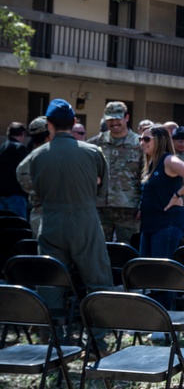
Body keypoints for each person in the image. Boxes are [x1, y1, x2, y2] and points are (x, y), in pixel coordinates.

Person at [15, 100, 113, 313]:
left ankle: (53, 336)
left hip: (50, 220)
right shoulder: (93, 152)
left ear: (48, 123)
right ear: (74, 122)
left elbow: (33, 188)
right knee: (98, 280)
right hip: (85, 219)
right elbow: (102, 192)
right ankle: (98, 337)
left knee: (50, 281)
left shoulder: (36, 156)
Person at [138, 124, 184, 304]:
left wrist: (177, 195)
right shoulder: (151, 162)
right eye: (140, 138)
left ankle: (165, 319)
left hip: (167, 224)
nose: (141, 142)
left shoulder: (169, 160)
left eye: (146, 139)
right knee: (148, 270)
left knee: (162, 272)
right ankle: (154, 317)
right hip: (150, 225)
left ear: (159, 141)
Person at [89, 101, 143, 242]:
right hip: (100, 207)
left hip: (129, 209)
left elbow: (146, 177)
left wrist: (143, 205)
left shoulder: (140, 145)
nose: (114, 123)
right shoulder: (94, 144)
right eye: (110, 119)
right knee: (98, 248)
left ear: (127, 118)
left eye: (117, 118)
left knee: (127, 250)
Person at [0, 122, 30, 218]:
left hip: (2, 194)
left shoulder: (2, 147)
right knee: (19, 226)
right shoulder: (19, 148)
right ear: (22, 134)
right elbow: (25, 170)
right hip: (16, 194)